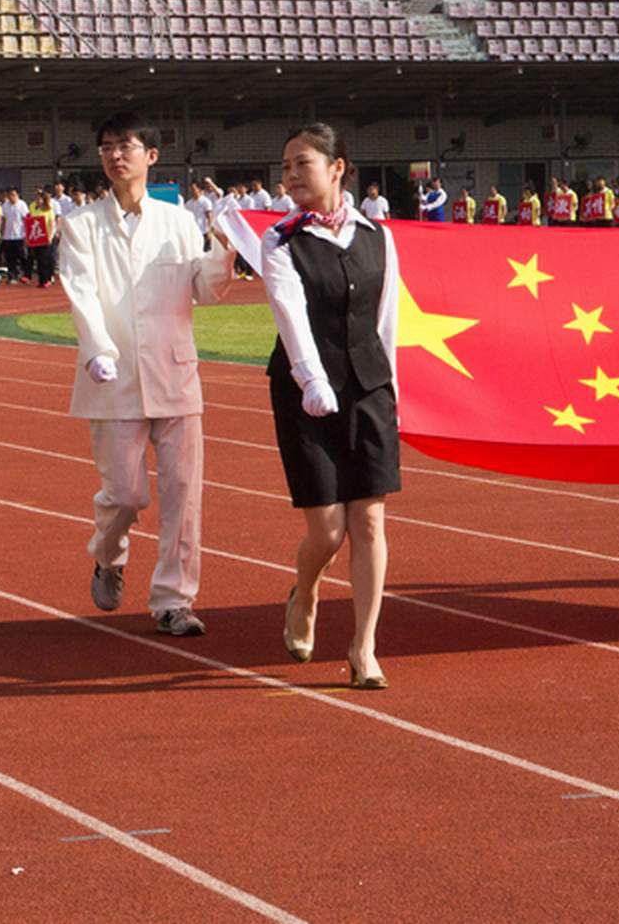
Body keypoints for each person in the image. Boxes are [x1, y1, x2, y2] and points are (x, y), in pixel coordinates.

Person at [57, 110, 235, 639]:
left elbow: (204, 290)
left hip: (175, 375)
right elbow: (81, 290)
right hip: (112, 378)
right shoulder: (82, 224)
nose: (115, 155)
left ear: (151, 156)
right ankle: (108, 555)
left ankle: (174, 600)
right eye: (107, 147)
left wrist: (224, 248)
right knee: (125, 494)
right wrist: (97, 349)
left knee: (183, 494)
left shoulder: (177, 222)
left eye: (126, 146)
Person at [262, 124, 400, 690]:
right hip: (306, 393)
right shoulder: (281, 241)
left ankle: (364, 647)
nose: (291, 175)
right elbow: (290, 317)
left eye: (303, 163)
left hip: (369, 388)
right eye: (286, 166)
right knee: (328, 529)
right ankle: (306, 590)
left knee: (368, 518)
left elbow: (386, 319)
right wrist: (312, 380)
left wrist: (393, 390)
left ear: (337, 167)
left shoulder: (378, 237)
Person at [25, 188, 59, 288]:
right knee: (39, 260)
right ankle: (41, 280)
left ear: (44, 200)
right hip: (36, 238)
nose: (37, 200)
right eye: (36, 198)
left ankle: (47, 279)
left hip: (46, 238)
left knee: (45, 259)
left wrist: (50, 237)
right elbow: (30, 222)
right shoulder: (34, 210)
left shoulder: (49, 210)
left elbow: (52, 224)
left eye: (39, 199)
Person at [0, 188, 30, 282]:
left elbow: (26, 220)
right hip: (8, 236)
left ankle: (25, 274)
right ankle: (12, 276)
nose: (11, 197)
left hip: (19, 235)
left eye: (13, 195)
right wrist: (2, 233)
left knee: (22, 256)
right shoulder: (5, 205)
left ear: (17, 195)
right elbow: (3, 220)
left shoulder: (22, 204)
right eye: (9, 195)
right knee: (9, 258)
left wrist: (26, 234)